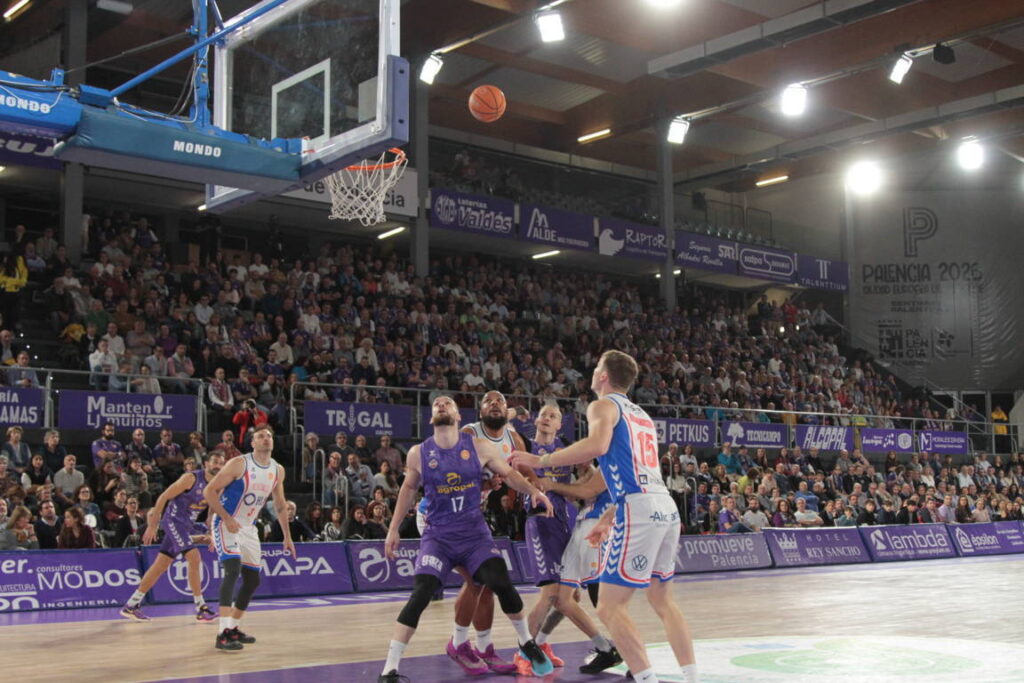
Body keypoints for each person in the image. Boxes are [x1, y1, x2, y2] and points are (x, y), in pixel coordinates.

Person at [511, 350, 696, 683]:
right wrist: (609, 515)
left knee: (609, 607)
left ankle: (645, 678)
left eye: (596, 368)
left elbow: (596, 445)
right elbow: (637, 475)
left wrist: (541, 461)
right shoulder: (642, 415)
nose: (593, 372)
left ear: (604, 376)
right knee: (662, 600)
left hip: (638, 509)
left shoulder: (602, 405)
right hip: (664, 508)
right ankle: (692, 677)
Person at [377, 396, 555, 682]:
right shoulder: (418, 453)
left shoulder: (477, 446)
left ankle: (523, 642)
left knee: (496, 579)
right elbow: (408, 491)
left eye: (447, 403)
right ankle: (390, 669)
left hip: (473, 532)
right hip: (439, 534)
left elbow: (509, 474)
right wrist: (393, 528)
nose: (442, 405)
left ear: (459, 415)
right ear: (430, 416)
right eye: (437, 404)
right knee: (423, 592)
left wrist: (534, 491)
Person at [204, 425, 295, 652]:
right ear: (252, 443)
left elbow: (281, 505)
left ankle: (233, 627)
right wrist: (225, 518)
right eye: (260, 436)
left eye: (269, 436)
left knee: (253, 580)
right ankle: (222, 633)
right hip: (227, 522)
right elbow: (209, 491)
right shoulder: (239, 464)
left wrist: (287, 536)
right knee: (233, 570)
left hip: (249, 527)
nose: (266, 439)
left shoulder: (278, 470)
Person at [532, 461, 622, 673]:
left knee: (599, 597)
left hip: (597, 526)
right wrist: (583, 474)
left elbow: (585, 491)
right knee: (563, 600)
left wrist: (552, 484)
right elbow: (575, 494)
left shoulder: (611, 462)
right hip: (580, 527)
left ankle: (633, 655)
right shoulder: (592, 472)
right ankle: (605, 649)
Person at [120, 453, 225, 622]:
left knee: (160, 565)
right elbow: (163, 497)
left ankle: (131, 604)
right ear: (206, 463)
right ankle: (201, 608)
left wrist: (212, 533)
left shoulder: (218, 486)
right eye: (215, 462)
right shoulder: (190, 479)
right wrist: (153, 525)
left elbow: (212, 510)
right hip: (173, 521)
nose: (218, 466)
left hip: (186, 525)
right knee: (194, 557)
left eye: (221, 463)